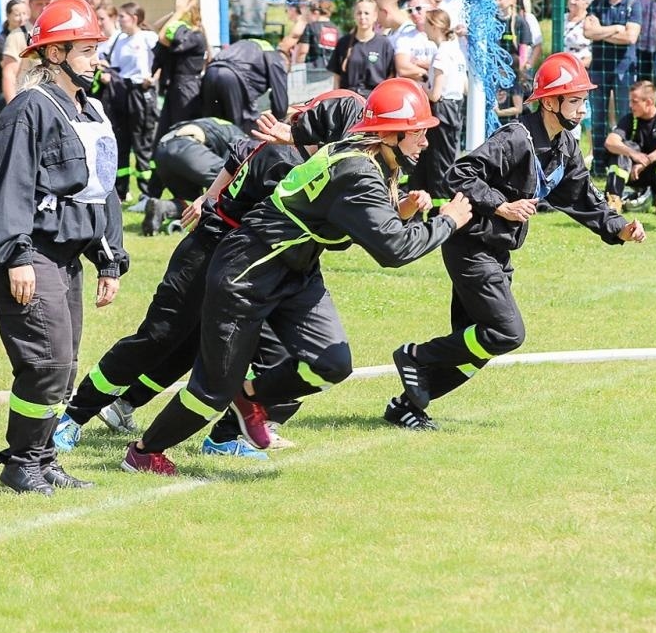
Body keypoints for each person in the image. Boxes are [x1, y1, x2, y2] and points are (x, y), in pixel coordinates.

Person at [121, 78, 473, 474]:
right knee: (212, 391)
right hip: (248, 273)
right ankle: (144, 451)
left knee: (332, 362)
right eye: (419, 133)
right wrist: (447, 222)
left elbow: (366, 227)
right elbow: (393, 251)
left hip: (297, 272)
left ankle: (249, 397)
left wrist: (403, 212)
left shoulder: (365, 157)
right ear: (389, 133)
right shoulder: (358, 172)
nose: (425, 142)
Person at [53, 91, 367, 457]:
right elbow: (281, 201)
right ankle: (74, 416)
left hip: (260, 268)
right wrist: (213, 202)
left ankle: (225, 437)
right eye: (359, 127)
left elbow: (236, 157)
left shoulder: (303, 154)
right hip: (214, 253)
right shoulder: (288, 159)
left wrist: (210, 198)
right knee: (161, 337)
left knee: (267, 356)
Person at [389, 54, 643, 427]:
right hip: (470, 247)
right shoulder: (515, 138)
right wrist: (501, 206)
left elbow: (583, 197)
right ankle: (415, 356)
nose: (582, 107)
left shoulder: (566, 147)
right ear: (550, 102)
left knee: (476, 346)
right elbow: (459, 175)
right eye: (575, 99)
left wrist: (619, 227)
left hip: (497, 251)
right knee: (507, 333)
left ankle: (405, 408)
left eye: (583, 100)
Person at [0, 0, 128, 494]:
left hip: (67, 258)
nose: (96, 59)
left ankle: (43, 460)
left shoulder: (91, 110)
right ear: (57, 54)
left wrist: (109, 259)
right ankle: (21, 463)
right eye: (87, 50)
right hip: (30, 253)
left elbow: (101, 191)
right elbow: (9, 187)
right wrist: (16, 256)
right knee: (47, 363)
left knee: (65, 368)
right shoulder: (28, 110)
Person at [583, 0, 647, 177]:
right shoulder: (596, 4)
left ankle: (624, 161)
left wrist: (602, 32)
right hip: (600, 68)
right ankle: (599, 165)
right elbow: (588, 32)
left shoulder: (633, 5)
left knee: (625, 117)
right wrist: (616, 29)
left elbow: (630, 37)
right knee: (599, 118)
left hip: (624, 69)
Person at [604, 80, 656, 218]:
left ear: (649, 102)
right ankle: (614, 201)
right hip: (634, 174)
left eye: (634, 102)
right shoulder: (629, 119)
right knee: (620, 151)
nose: (630, 106)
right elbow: (610, 141)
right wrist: (633, 154)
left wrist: (647, 160)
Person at [412, 8, 467, 194]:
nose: (423, 28)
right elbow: (464, 86)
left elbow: (435, 94)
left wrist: (419, 86)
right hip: (455, 109)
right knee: (439, 160)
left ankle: (440, 209)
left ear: (435, 26)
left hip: (442, 111)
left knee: (438, 163)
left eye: (426, 24)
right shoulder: (456, 51)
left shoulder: (442, 54)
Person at [107, 1, 159, 201]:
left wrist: (153, 79)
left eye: (123, 16)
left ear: (134, 18)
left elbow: (160, 60)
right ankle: (121, 191)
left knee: (142, 142)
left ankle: (147, 193)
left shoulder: (147, 37)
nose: (119, 20)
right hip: (122, 92)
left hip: (141, 92)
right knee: (122, 142)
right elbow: (116, 67)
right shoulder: (119, 40)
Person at [150, 0, 208, 143]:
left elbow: (162, 36)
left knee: (182, 126)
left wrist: (179, 12)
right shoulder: (187, 32)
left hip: (187, 87)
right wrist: (175, 12)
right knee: (168, 127)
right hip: (178, 86)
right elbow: (157, 26)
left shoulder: (195, 36)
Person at [200, 37, 289, 131]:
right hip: (233, 77)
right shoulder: (277, 58)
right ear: (287, 61)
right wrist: (278, 125)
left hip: (210, 72)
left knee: (212, 125)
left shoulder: (249, 44)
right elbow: (280, 100)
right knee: (240, 129)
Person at [326, 0, 394, 95]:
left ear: (375, 16)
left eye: (366, 13)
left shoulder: (384, 44)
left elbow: (390, 77)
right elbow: (337, 78)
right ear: (354, 15)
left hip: (374, 99)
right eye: (359, 13)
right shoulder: (343, 43)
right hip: (348, 101)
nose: (362, 17)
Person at [392, 0, 438, 82]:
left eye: (418, 8)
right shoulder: (404, 37)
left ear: (431, 8)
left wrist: (417, 63)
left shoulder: (443, 34)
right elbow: (403, 69)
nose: (414, 13)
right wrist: (434, 72)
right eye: (410, 10)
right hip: (416, 92)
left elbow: (448, 65)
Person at [563, 0, 596, 67]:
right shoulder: (562, 18)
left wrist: (577, 65)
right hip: (560, 65)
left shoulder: (590, 21)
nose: (572, 1)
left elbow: (594, 51)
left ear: (586, 3)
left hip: (581, 68)